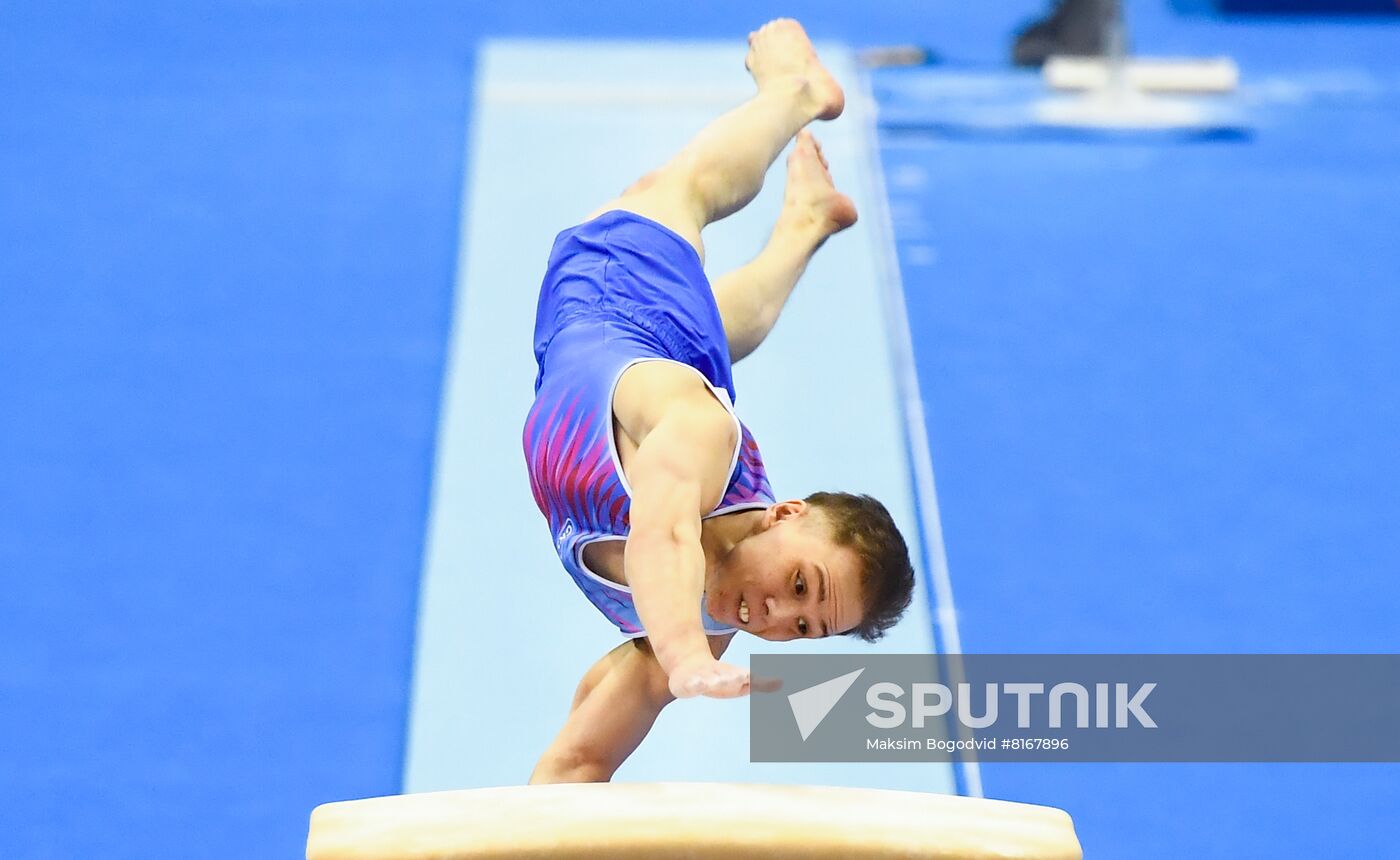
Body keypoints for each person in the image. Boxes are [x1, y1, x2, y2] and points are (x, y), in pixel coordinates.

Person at [522, 19, 916, 784]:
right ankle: (793, 92)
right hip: (612, 302)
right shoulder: (700, 435)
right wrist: (683, 661)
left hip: (655, 363)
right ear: (785, 512)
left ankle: (804, 224)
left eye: (804, 628)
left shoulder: (710, 623)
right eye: (798, 586)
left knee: (714, 330)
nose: (772, 617)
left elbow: (581, 756)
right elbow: (663, 532)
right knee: (675, 195)